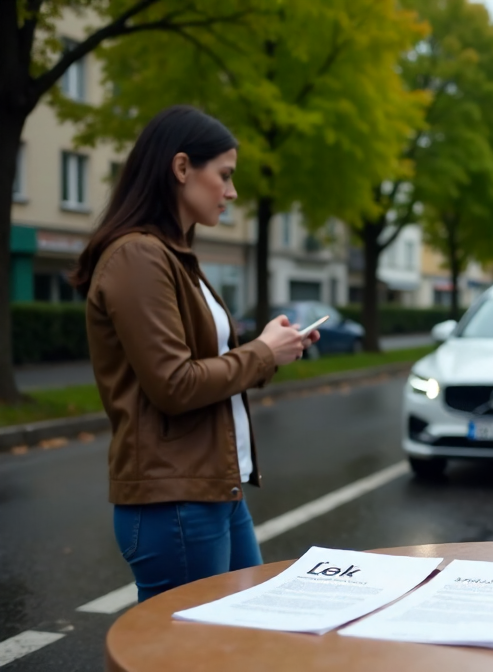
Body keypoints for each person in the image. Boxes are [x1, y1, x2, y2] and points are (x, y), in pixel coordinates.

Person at [71, 106, 320, 602]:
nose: (232, 193)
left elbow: (208, 361)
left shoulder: (173, 255)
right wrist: (262, 354)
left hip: (212, 491)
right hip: (175, 500)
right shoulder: (138, 256)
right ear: (182, 168)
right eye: (224, 176)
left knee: (239, 641)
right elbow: (174, 384)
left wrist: (273, 348)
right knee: (189, 655)